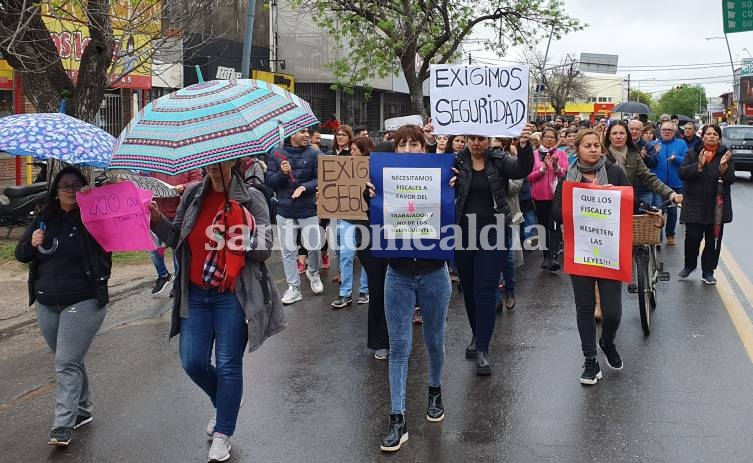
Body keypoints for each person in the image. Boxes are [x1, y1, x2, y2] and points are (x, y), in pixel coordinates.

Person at [149, 159, 284, 462]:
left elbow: (264, 247)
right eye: (208, 164)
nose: (213, 169)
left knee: (227, 365)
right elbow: (176, 239)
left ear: (234, 162)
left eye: (220, 164)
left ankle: (223, 432)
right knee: (192, 362)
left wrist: (233, 234)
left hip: (232, 295)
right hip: (195, 293)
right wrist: (157, 221)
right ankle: (223, 401)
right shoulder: (193, 194)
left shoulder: (252, 197)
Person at [367, 125, 454, 453]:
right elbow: (371, 221)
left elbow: (455, 213)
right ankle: (397, 418)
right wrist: (370, 197)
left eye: (413, 143)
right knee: (399, 345)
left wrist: (453, 188)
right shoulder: (382, 181)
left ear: (424, 147)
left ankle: (434, 390)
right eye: (401, 143)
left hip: (434, 272)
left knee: (434, 340)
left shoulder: (444, 175)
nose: (407, 148)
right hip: (399, 273)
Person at [15, 166, 112, 446]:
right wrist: (32, 243)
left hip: (84, 300)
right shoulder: (44, 220)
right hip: (46, 302)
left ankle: (62, 424)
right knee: (69, 358)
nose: (70, 189)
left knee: (65, 362)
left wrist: (95, 200)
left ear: (84, 187)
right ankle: (82, 410)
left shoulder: (95, 217)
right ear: (55, 191)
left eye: (75, 185)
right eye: (64, 185)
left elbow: (115, 239)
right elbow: (22, 255)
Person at [552, 129, 633, 385]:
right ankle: (590, 360)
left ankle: (607, 342)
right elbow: (555, 212)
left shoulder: (616, 172)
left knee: (613, 313)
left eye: (597, 145)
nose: (593, 149)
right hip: (581, 251)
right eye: (587, 145)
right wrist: (575, 203)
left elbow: (632, 203)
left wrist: (613, 195)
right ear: (577, 150)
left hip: (609, 252)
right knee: (585, 308)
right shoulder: (569, 177)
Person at [455, 131, 533, 375]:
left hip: (494, 233)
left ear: (489, 141)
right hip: (462, 234)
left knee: (485, 290)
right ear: (466, 140)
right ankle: (477, 335)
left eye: (481, 138)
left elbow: (522, 169)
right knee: (468, 289)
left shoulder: (499, 161)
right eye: (472, 138)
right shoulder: (455, 162)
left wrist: (524, 145)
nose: (476, 142)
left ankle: (483, 349)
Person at [266, 127, 324, 304]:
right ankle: (294, 287)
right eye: (302, 132)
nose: (307, 135)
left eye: (308, 132)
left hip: (307, 208)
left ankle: (313, 272)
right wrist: (282, 174)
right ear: (292, 134)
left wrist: (304, 187)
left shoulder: (314, 153)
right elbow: (269, 182)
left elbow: (319, 178)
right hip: (285, 209)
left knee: (314, 245)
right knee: (288, 250)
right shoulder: (276, 154)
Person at [677, 124, 735, 285]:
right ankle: (689, 265)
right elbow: (682, 174)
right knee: (692, 238)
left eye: (715, 134)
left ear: (719, 137)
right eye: (708, 134)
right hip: (694, 204)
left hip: (717, 206)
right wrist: (699, 166)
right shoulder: (692, 153)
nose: (711, 136)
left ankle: (708, 271)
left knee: (713, 240)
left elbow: (730, 180)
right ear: (702, 137)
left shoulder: (726, 155)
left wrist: (723, 168)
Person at [331, 137, 372, 308]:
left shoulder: (373, 168)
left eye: (356, 149)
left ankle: (364, 290)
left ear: (364, 151)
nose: (352, 152)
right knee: (346, 253)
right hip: (347, 216)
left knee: (365, 256)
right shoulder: (343, 167)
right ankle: (345, 293)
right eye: (352, 149)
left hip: (366, 218)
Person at [148, 170, 203, 296]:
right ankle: (163, 275)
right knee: (154, 250)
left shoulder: (188, 161)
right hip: (158, 214)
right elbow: (144, 179)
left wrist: (183, 187)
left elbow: (198, 181)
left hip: (179, 215)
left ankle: (178, 283)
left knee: (177, 254)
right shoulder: (155, 162)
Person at [528, 127, 569, 271]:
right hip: (539, 196)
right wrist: (543, 169)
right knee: (543, 226)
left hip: (557, 196)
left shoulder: (561, 154)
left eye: (552, 137)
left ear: (556, 140)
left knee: (555, 225)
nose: (549, 139)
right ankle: (546, 256)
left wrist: (556, 166)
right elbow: (529, 176)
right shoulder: (533, 155)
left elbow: (565, 175)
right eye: (547, 137)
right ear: (542, 138)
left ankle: (553, 257)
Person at [653, 121, 688, 245]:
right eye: (664, 130)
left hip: (675, 184)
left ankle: (670, 235)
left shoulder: (681, 144)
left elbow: (687, 160)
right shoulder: (654, 144)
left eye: (670, 130)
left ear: (674, 132)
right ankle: (657, 236)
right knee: (658, 211)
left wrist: (676, 159)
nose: (667, 132)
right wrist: (654, 154)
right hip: (658, 184)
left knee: (673, 211)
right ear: (660, 131)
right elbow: (648, 162)